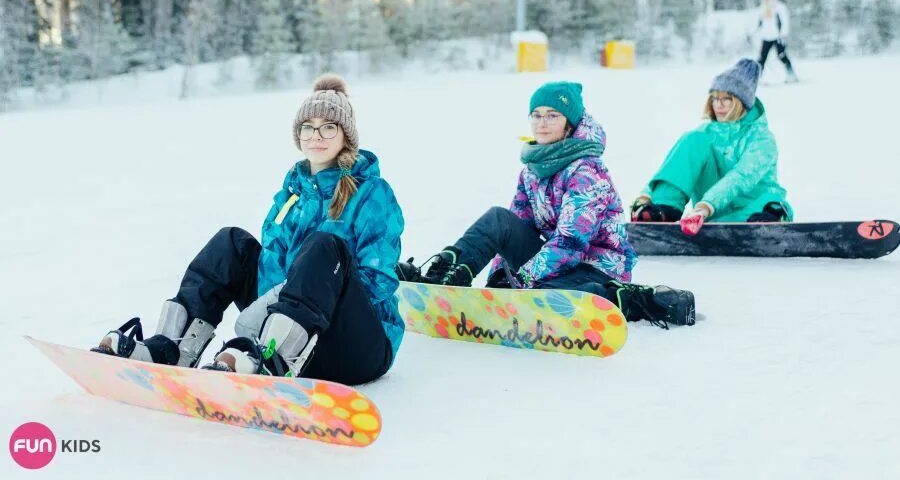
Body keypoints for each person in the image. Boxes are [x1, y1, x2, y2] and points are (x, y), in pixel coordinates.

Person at [93, 75, 405, 385]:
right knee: (231, 242)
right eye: (308, 127)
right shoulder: (292, 195)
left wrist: (312, 287)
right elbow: (270, 268)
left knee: (324, 246)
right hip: (297, 334)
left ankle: (272, 360)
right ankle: (172, 348)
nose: (316, 135)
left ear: (345, 135)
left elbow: (379, 281)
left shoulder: (371, 192)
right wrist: (281, 299)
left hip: (356, 346)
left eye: (328, 127)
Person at [398, 81, 695, 328]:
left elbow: (571, 242)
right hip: (551, 265)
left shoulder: (587, 172)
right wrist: (502, 278)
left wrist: (524, 278)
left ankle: (614, 298)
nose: (542, 123)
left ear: (569, 123)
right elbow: (513, 231)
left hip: (594, 267)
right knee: (497, 219)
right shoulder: (532, 170)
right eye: (536, 115)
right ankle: (445, 275)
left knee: (561, 295)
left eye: (552, 115)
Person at [631, 59, 793, 235]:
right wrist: (646, 196)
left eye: (726, 99)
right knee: (692, 140)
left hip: (751, 206)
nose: (718, 105)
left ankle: (772, 220)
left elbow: (741, 177)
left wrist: (705, 206)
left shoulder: (762, 139)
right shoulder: (704, 133)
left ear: (742, 102)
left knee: (771, 206)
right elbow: (674, 167)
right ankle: (664, 207)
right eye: (714, 98)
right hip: (711, 213)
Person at [751, 0, 798, 82]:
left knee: (782, 55)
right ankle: (758, 78)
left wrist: (784, 34)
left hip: (778, 37)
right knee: (762, 58)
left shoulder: (779, 8)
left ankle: (791, 75)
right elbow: (758, 24)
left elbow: (784, 22)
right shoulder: (761, 9)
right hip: (766, 37)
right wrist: (751, 33)